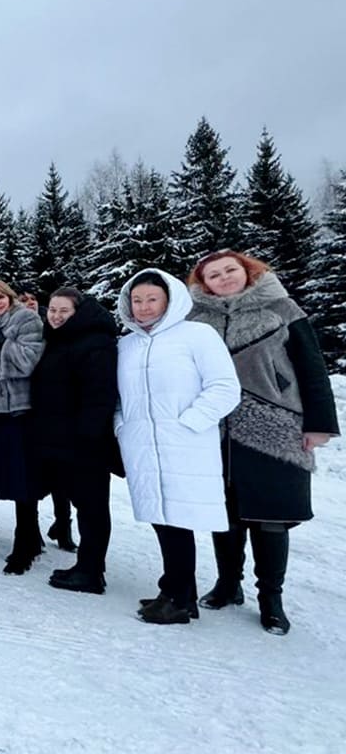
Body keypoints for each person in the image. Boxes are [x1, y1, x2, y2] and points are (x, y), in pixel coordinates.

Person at [186, 251, 338, 634]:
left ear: (248, 271)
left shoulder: (281, 307)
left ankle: (271, 598)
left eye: (229, 271)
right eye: (213, 275)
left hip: (275, 424)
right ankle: (227, 583)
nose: (223, 278)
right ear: (203, 283)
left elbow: (311, 366)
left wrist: (319, 424)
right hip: (216, 429)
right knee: (225, 513)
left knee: (271, 517)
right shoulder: (195, 318)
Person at [115, 269, 240, 624]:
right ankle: (176, 589)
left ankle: (178, 598)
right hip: (142, 444)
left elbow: (224, 387)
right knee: (161, 518)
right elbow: (120, 398)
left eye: (152, 299)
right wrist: (123, 426)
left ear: (170, 300)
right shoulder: (127, 344)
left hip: (185, 444)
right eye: (136, 300)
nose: (143, 307)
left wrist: (190, 423)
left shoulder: (197, 336)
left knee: (180, 520)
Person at [31, 288, 120, 594]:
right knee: (84, 504)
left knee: (92, 507)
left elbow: (99, 396)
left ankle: (91, 571)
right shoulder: (60, 339)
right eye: (52, 310)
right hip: (63, 439)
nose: (55, 316)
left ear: (78, 312)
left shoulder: (95, 343)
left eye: (63, 311)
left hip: (85, 444)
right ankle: (88, 565)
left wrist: (86, 438)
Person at [0, 278, 46, 574]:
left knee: (23, 476)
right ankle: (31, 536)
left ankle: (25, 543)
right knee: (7, 473)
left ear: (9, 296)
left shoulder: (26, 319)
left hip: (21, 406)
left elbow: (29, 361)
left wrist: (1, 341)